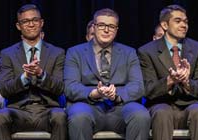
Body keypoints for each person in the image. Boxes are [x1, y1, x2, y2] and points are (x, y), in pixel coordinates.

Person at [64, 8, 151, 140]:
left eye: (111, 26)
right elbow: (70, 86)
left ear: (116, 29)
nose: (106, 30)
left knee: (140, 115)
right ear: (94, 26)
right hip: (88, 106)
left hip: (120, 107)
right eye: (101, 25)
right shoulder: (75, 52)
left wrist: (116, 95)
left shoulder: (129, 53)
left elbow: (138, 86)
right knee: (78, 116)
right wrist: (93, 93)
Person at [0, 4, 67, 140]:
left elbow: (60, 88)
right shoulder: (7, 54)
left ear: (41, 23)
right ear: (18, 26)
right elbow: (4, 90)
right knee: (0, 116)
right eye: (25, 21)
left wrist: (41, 74)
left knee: (60, 116)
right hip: (18, 111)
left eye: (35, 20)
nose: (31, 24)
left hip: (47, 110)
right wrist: (24, 77)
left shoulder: (57, 53)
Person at [137, 5, 198, 140]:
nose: (184, 25)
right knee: (162, 113)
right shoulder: (147, 51)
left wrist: (186, 82)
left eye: (186, 21)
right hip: (161, 104)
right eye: (178, 21)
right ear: (164, 25)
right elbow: (148, 89)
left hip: (189, 104)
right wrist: (170, 81)